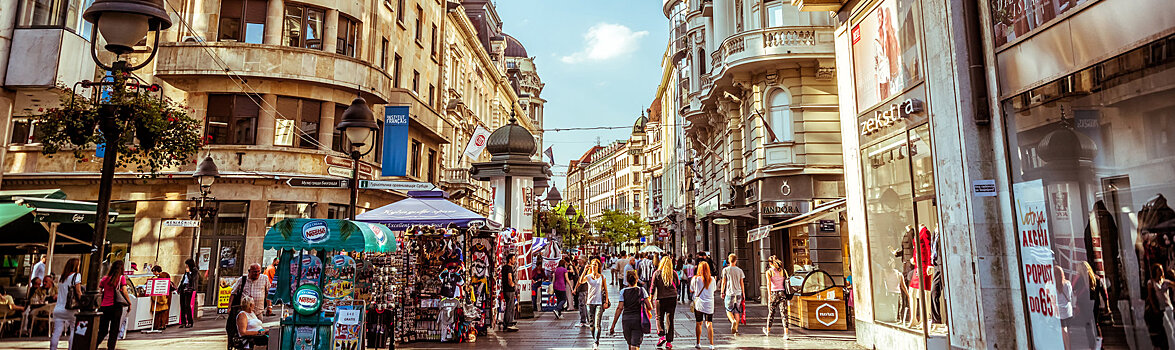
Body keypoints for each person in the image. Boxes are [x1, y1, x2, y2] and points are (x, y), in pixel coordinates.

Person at [609, 270, 655, 350]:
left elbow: (619, 308)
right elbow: (650, 306)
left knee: (630, 343)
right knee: (635, 344)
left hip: (626, 320)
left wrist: (613, 324)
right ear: (637, 279)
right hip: (638, 320)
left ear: (627, 281)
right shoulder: (642, 290)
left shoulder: (623, 291)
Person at [97, 260, 131, 350]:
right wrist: (129, 302)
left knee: (103, 329)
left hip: (104, 306)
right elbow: (124, 291)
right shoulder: (121, 278)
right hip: (116, 306)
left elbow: (100, 291)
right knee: (114, 329)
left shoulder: (105, 278)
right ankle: (111, 347)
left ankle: (95, 344)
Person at [50, 258, 82, 350]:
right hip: (71, 309)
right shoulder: (76, 275)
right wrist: (82, 302)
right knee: (73, 330)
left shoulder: (62, 277)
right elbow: (78, 291)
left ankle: (53, 348)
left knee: (56, 332)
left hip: (58, 308)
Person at [578, 259, 609, 349]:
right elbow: (580, 281)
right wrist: (584, 270)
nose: (594, 266)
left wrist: (606, 301)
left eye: (596, 265)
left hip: (599, 303)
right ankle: (595, 338)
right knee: (591, 325)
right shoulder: (588, 276)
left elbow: (605, 290)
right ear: (590, 266)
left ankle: (596, 342)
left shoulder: (602, 277)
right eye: (593, 264)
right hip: (589, 303)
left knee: (597, 324)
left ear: (598, 267)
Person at [651, 256, 678, 348]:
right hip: (672, 298)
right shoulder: (673, 273)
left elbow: (652, 287)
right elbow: (677, 283)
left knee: (659, 317)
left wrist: (650, 298)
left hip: (660, 298)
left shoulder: (657, 273)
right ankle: (669, 342)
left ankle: (661, 335)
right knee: (670, 319)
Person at [764, 256, 791, 338]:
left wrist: (769, 295)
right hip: (782, 293)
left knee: (771, 312)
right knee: (784, 313)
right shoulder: (783, 271)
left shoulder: (769, 272)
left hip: (774, 293)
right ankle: (786, 333)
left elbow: (768, 284)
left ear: (770, 263)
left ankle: (768, 330)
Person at [692, 261, 717, 349]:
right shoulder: (712, 279)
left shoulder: (695, 279)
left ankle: (698, 343)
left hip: (699, 304)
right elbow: (714, 290)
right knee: (709, 323)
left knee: (699, 323)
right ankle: (711, 344)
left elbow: (691, 290)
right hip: (709, 304)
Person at [719, 253, 745, 334]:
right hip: (738, 293)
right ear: (736, 261)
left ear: (729, 260)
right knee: (737, 311)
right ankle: (736, 329)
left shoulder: (725, 270)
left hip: (729, 293)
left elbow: (723, 282)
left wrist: (722, 291)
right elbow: (742, 283)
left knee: (728, 310)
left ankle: (732, 321)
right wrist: (743, 293)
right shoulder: (740, 270)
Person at [178, 259, 200, 328]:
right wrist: (179, 288)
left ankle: (190, 321)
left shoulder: (194, 271)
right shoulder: (186, 271)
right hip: (183, 287)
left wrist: (188, 273)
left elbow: (192, 280)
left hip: (189, 289)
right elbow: (183, 279)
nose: (186, 266)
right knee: (182, 305)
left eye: (187, 265)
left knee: (187, 305)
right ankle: (183, 322)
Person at [501, 253, 518, 332]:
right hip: (509, 290)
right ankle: (509, 323)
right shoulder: (509, 268)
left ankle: (506, 322)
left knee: (508, 306)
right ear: (510, 260)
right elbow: (509, 278)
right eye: (513, 259)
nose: (514, 260)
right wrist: (512, 284)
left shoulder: (504, 268)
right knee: (510, 307)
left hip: (505, 289)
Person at [151, 265, 172, 330]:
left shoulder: (160, 277)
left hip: (161, 299)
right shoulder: (166, 275)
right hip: (166, 298)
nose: (153, 273)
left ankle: (159, 325)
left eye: (154, 272)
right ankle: (163, 324)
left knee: (159, 314)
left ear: (156, 271)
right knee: (164, 313)